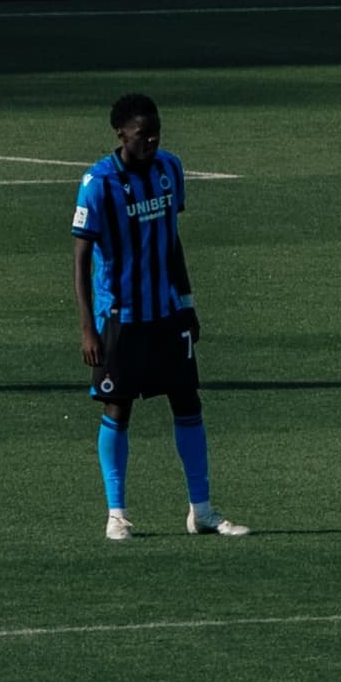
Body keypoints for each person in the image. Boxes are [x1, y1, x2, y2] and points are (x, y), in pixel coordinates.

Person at [71, 94, 244, 543]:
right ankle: (117, 514)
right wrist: (88, 327)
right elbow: (81, 255)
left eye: (156, 131)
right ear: (120, 133)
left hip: (168, 315)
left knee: (188, 404)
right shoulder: (98, 183)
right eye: (142, 132)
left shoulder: (170, 170)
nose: (151, 139)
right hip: (121, 318)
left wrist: (187, 304)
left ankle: (202, 511)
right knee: (118, 408)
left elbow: (172, 241)